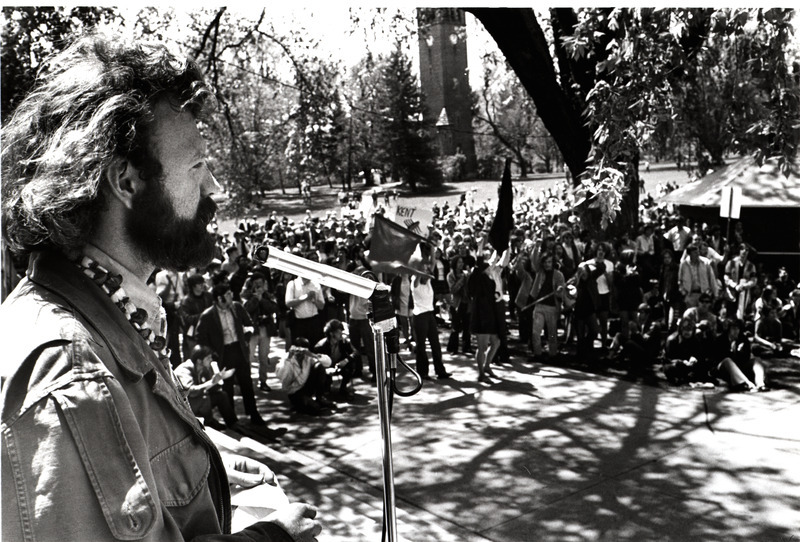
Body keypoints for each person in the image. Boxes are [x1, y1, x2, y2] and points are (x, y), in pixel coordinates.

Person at [0, 33, 320, 541]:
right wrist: (272, 538)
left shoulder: (101, 308)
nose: (213, 185)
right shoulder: (72, 374)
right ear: (126, 182)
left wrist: (201, 462)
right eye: (195, 165)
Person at [196, 283, 269, 427]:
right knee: (227, 387)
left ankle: (254, 414)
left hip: (239, 350)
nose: (231, 296)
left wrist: (246, 339)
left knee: (246, 383)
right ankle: (231, 418)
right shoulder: (208, 315)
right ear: (220, 298)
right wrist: (213, 353)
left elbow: (249, 324)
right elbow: (200, 337)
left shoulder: (237, 307)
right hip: (224, 353)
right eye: (228, 294)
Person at [175, 345, 239, 430]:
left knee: (221, 396)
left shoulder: (203, 368)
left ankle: (233, 424)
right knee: (205, 398)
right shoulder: (185, 369)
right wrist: (212, 382)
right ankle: (208, 422)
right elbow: (190, 391)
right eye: (208, 358)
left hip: (194, 402)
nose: (211, 360)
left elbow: (209, 387)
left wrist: (217, 379)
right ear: (199, 361)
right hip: (183, 406)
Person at [275, 338, 334, 415]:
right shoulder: (287, 359)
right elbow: (281, 375)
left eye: (302, 351)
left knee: (319, 366)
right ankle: (304, 403)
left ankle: (319, 398)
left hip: (307, 387)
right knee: (314, 408)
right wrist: (289, 358)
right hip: (295, 391)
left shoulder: (308, 357)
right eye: (297, 350)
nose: (300, 353)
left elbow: (328, 363)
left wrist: (313, 355)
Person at [467, 254, 501, 382]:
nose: (490, 268)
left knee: (496, 342)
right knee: (482, 347)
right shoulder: (478, 279)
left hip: (490, 315)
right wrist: (480, 250)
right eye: (488, 267)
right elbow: (478, 267)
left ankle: (487, 366)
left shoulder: (490, 280)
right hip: (481, 316)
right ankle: (481, 373)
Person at [313, 319, 358, 400]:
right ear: (331, 333)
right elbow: (315, 362)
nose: (341, 334)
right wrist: (326, 369)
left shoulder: (344, 342)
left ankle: (344, 387)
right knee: (320, 371)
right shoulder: (320, 346)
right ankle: (324, 390)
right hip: (327, 367)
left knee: (350, 366)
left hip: (339, 365)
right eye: (338, 332)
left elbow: (355, 353)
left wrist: (345, 360)